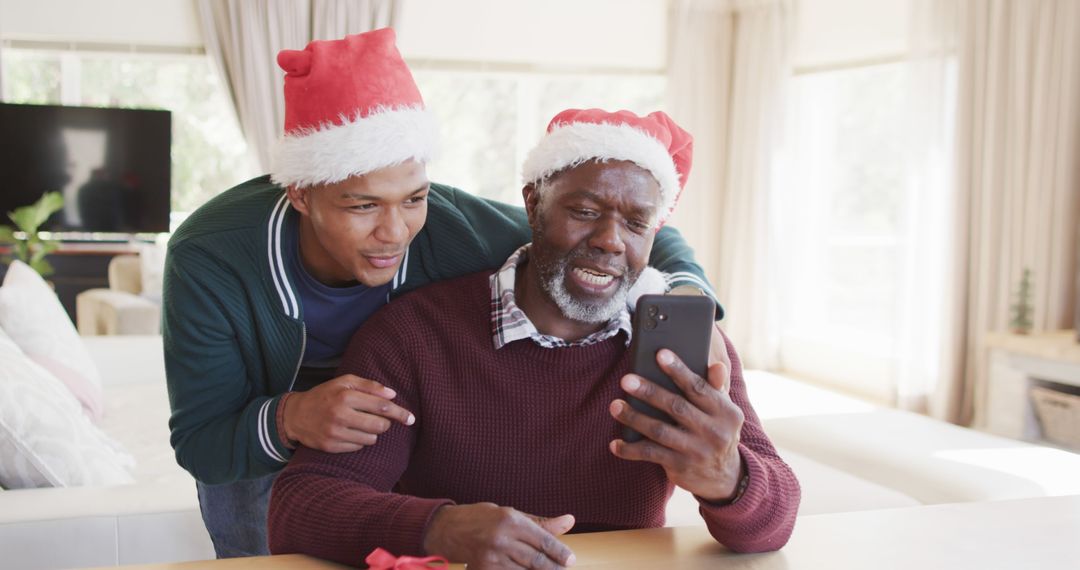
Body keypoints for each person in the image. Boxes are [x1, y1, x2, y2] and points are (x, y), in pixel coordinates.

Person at [163, 30, 719, 559]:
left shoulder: (457, 228)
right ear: (302, 196)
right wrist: (291, 417)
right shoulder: (210, 257)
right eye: (362, 206)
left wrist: (693, 298)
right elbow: (201, 442)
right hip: (259, 428)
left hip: (379, 421)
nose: (396, 231)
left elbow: (625, 226)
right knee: (258, 554)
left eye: (413, 198)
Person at [267, 109, 801, 568]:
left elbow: (771, 527)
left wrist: (731, 479)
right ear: (533, 204)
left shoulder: (687, 346)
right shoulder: (413, 334)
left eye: (636, 223)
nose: (610, 241)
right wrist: (440, 528)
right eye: (585, 212)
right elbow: (300, 506)